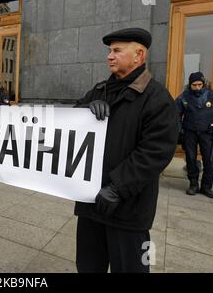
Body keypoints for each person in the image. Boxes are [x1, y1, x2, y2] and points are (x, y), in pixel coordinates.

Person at [73, 28, 178, 273]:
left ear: (138, 55)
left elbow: (156, 152)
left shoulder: (158, 98)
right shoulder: (99, 90)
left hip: (128, 210)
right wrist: (86, 107)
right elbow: (71, 122)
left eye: (117, 51)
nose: (110, 56)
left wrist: (118, 187)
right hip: (91, 204)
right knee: (88, 266)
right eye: (110, 51)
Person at [176, 72, 213, 199]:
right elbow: (176, 114)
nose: (197, 87)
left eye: (200, 84)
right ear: (190, 84)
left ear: (203, 83)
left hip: (208, 133)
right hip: (189, 132)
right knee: (191, 159)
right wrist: (179, 130)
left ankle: (206, 187)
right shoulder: (184, 97)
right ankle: (193, 185)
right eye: (194, 85)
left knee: (209, 160)